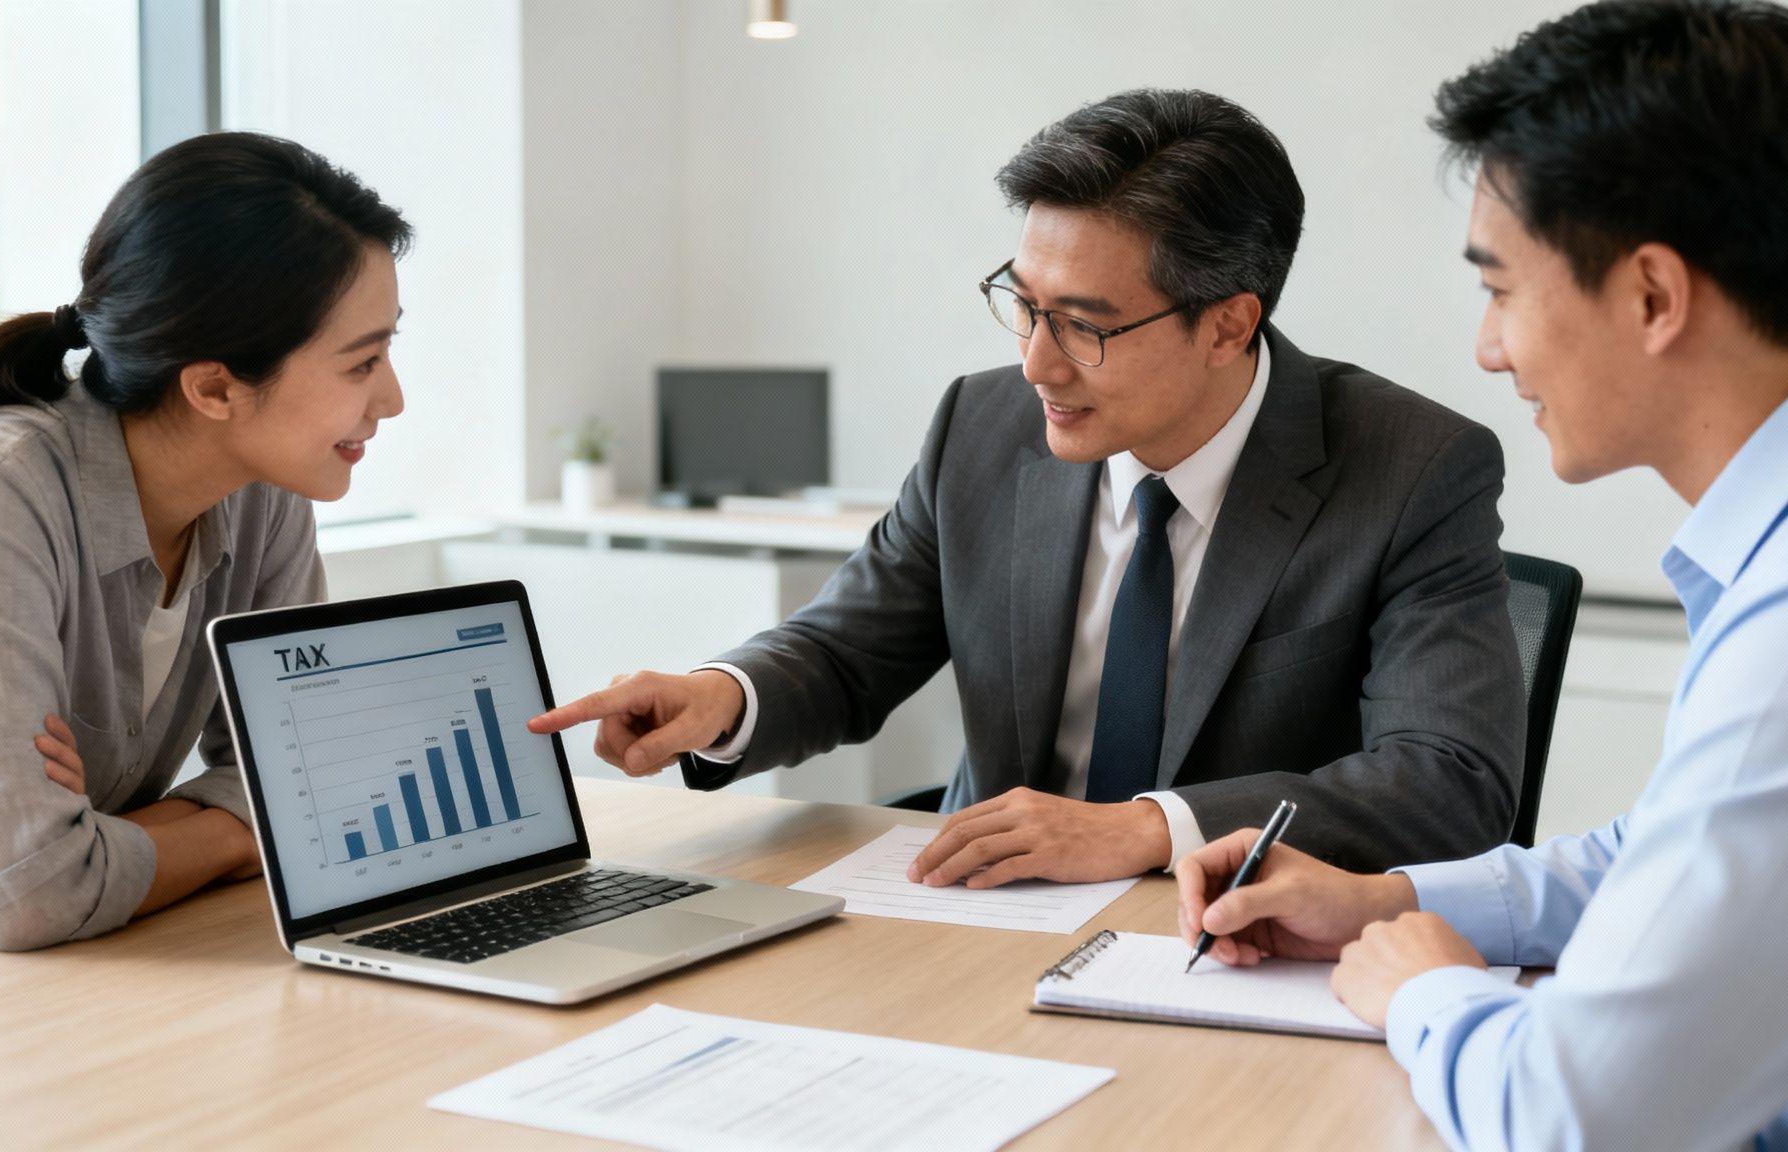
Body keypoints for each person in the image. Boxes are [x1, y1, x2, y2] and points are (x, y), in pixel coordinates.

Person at [1175, 3, 1788, 1148]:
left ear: (1650, 296)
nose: (1487, 348)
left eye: (1497, 288)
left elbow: (1578, 1118)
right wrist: (1393, 902)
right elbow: (1677, 853)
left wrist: (1420, 985)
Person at [532, 88, 1526, 886]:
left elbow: (1447, 781)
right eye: (1023, 304)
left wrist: (1144, 830)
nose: (1037, 366)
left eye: (1085, 325)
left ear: (1227, 325)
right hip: (984, 918)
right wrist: (721, 696)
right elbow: (847, 651)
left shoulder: (1409, 469)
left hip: (1240, 934)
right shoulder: (982, 423)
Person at [0, 132, 410, 961]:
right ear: (214, 387)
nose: (393, 398)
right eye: (363, 362)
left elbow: (319, 782)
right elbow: (27, 896)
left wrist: (103, 844)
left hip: (92, 935)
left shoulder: (265, 484)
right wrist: (239, 827)